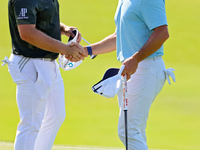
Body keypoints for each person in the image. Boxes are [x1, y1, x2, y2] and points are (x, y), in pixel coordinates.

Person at [73, 0, 173, 149]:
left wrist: (136, 58)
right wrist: (87, 50)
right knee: (134, 131)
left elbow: (162, 33)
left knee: (129, 131)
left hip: (145, 67)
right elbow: (120, 36)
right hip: (133, 69)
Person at [6, 0, 86, 150]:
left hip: (48, 63)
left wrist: (64, 29)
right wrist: (65, 48)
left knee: (56, 115)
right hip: (30, 64)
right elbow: (27, 32)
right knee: (30, 123)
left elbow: (43, 18)